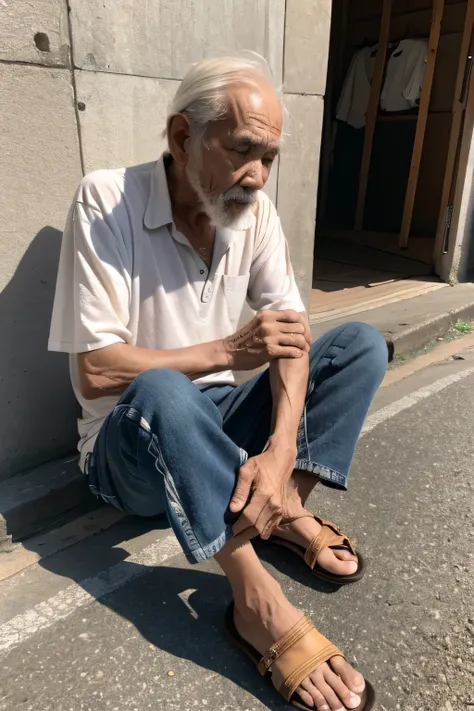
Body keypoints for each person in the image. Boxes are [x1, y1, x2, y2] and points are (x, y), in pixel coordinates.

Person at [49, 54, 387, 711]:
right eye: (241, 150)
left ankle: (280, 505)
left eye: (269, 157)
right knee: (162, 392)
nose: (257, 176)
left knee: (357, 346)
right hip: (130, 448)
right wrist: (231, 348)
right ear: (182, 137)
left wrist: (282, 448)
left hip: (216, 419)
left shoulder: (251, 213)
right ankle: (252, 595)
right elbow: (96, 372)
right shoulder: (105, 201)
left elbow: (291, 335)